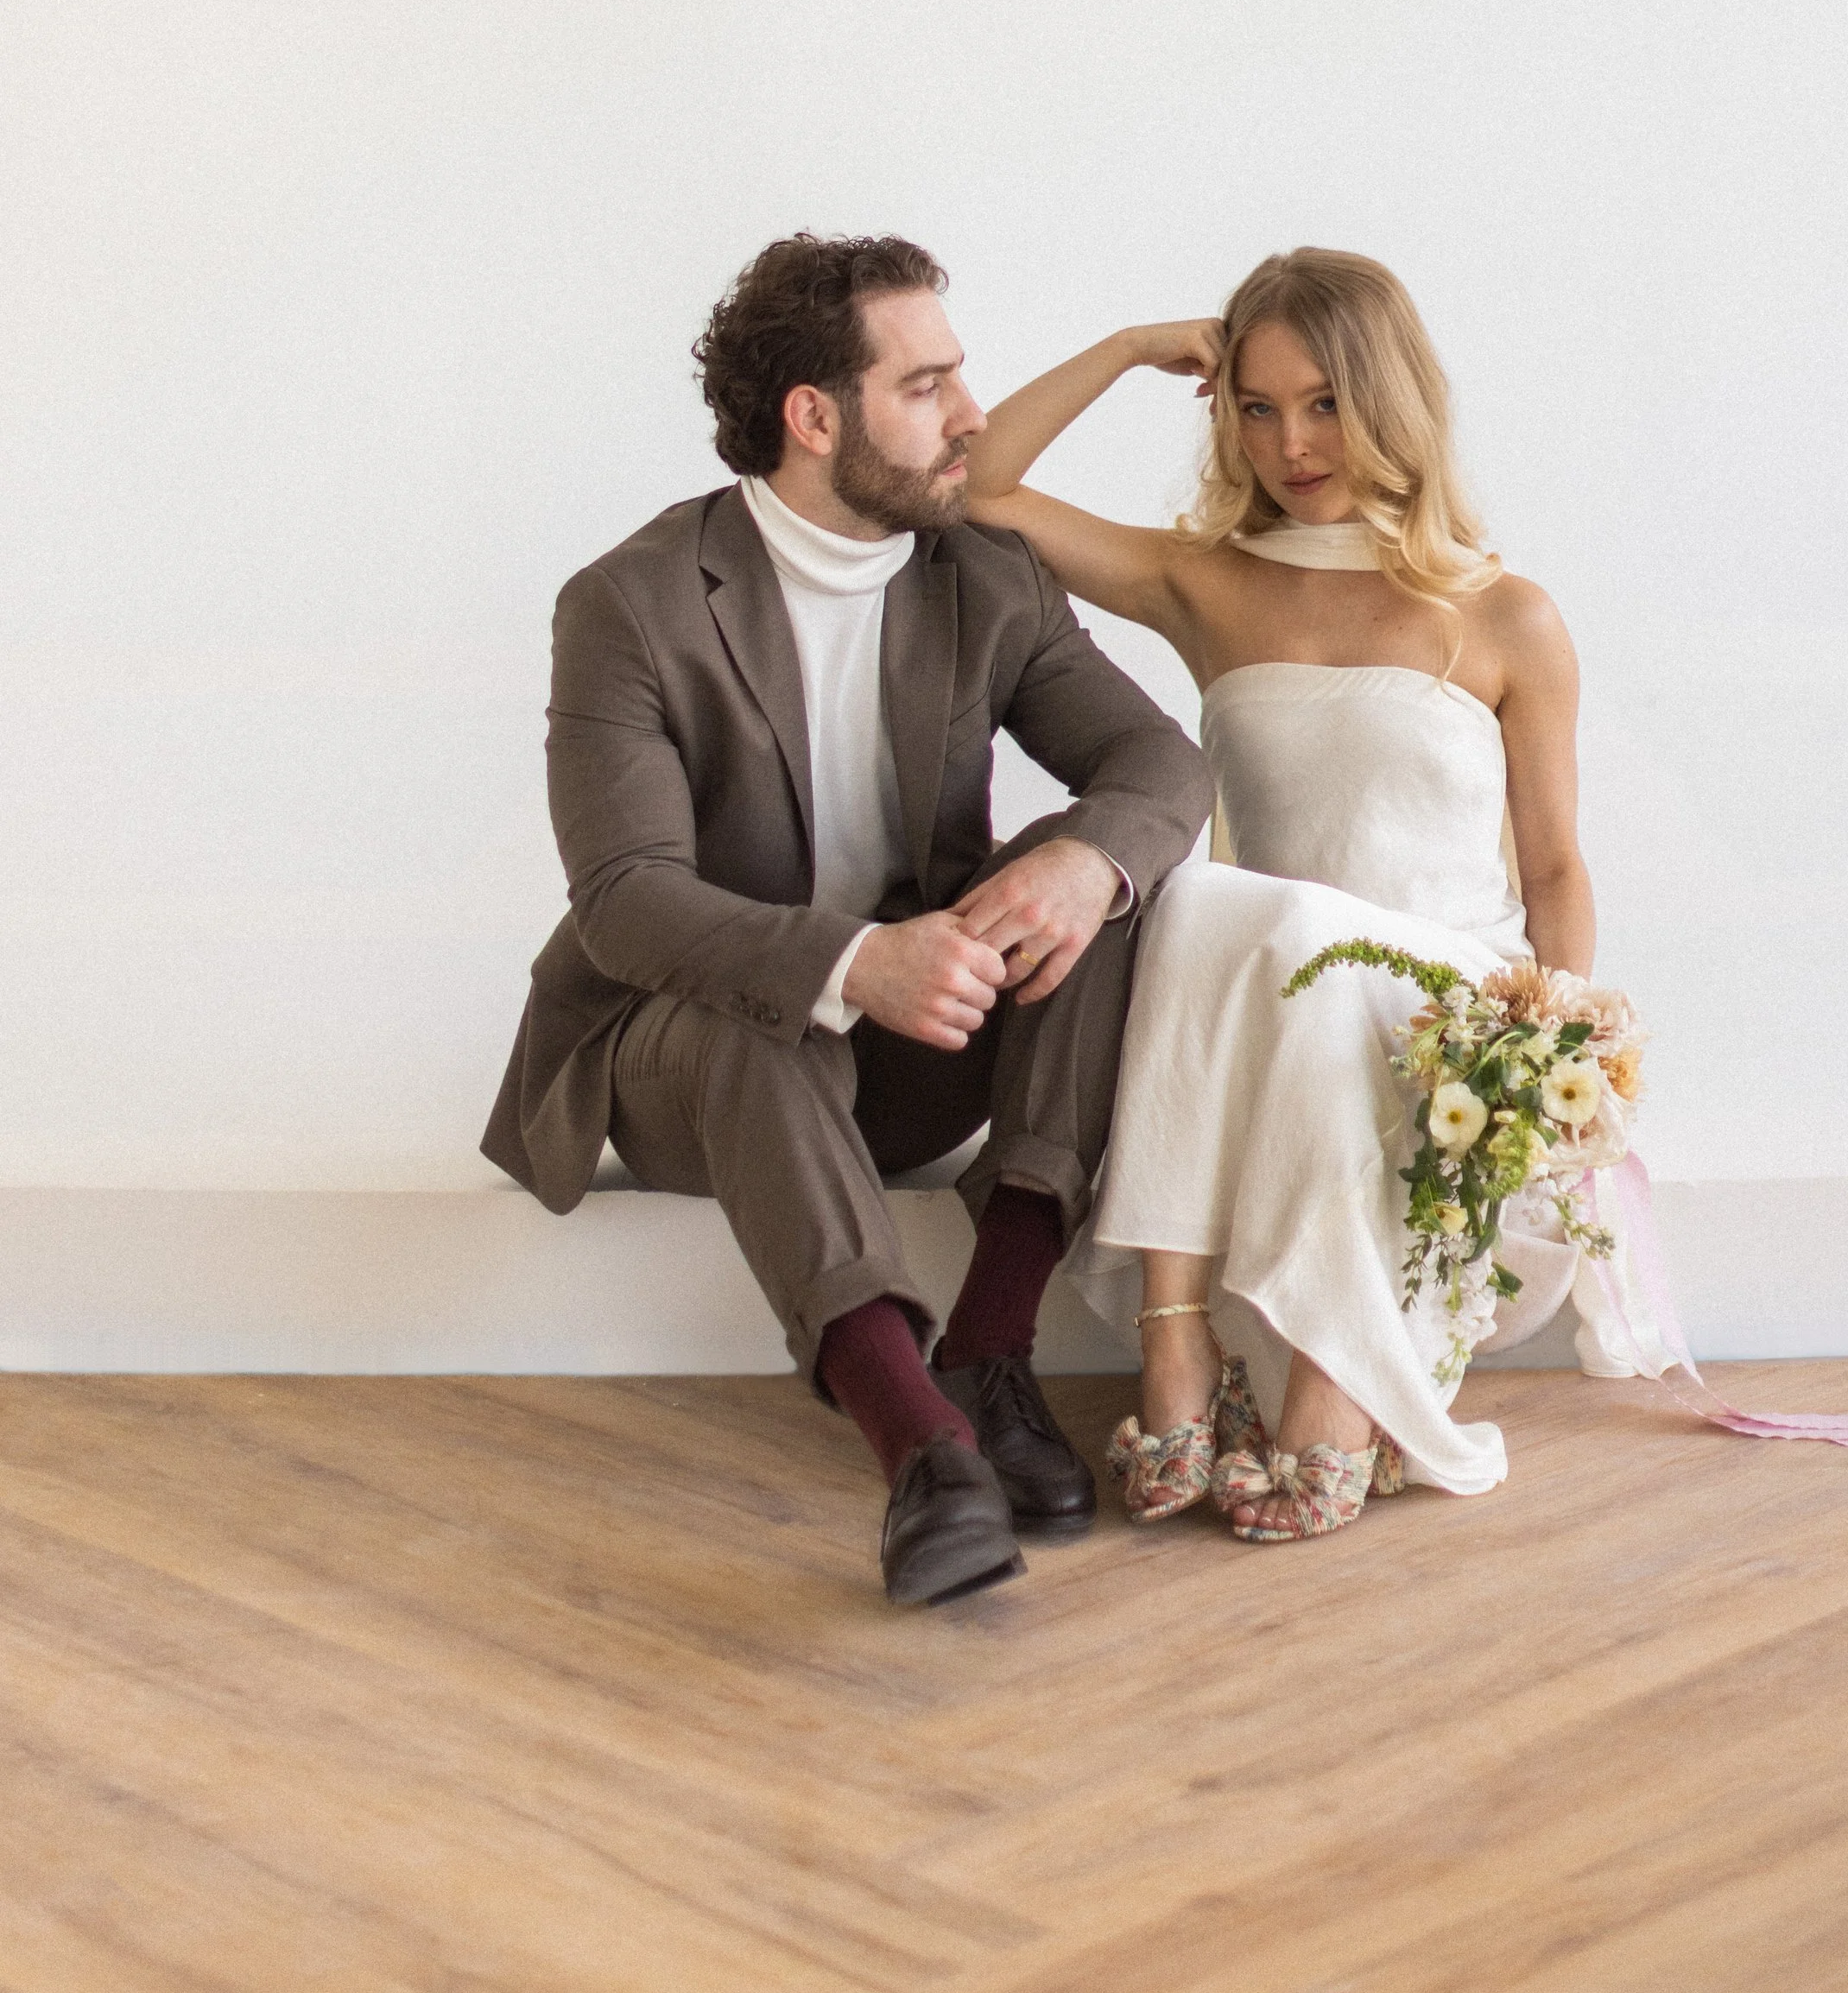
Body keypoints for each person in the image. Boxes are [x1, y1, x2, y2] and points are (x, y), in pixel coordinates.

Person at [482, 234, 1215, 1604]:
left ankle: (989, 1353)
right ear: (814, 418)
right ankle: (921, 1450)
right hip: (688, 1072)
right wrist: (855, 962)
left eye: (959, 378)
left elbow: (1160, 765)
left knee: (1100, 875)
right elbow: (628, 900)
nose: (973, 417)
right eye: (926, 387)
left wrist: (1081, 867)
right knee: (749, 1015)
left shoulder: (983, 574)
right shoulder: (633, 606)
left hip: (914, 1051)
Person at [962, 246, 1680, 1544]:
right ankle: (1178, 1339)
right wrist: (1126, 348)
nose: (1290, 444)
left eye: (1326, 403)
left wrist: (1556, 1040)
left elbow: (1555, 866)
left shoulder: (1505, 616)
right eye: (1257, 406)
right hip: (1258, 999)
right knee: (1201, 897)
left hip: (1442, 1008)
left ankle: (1329, 1381)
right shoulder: (1209, 582)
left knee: (1267, 919)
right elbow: (974, 489)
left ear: (1390, 400)